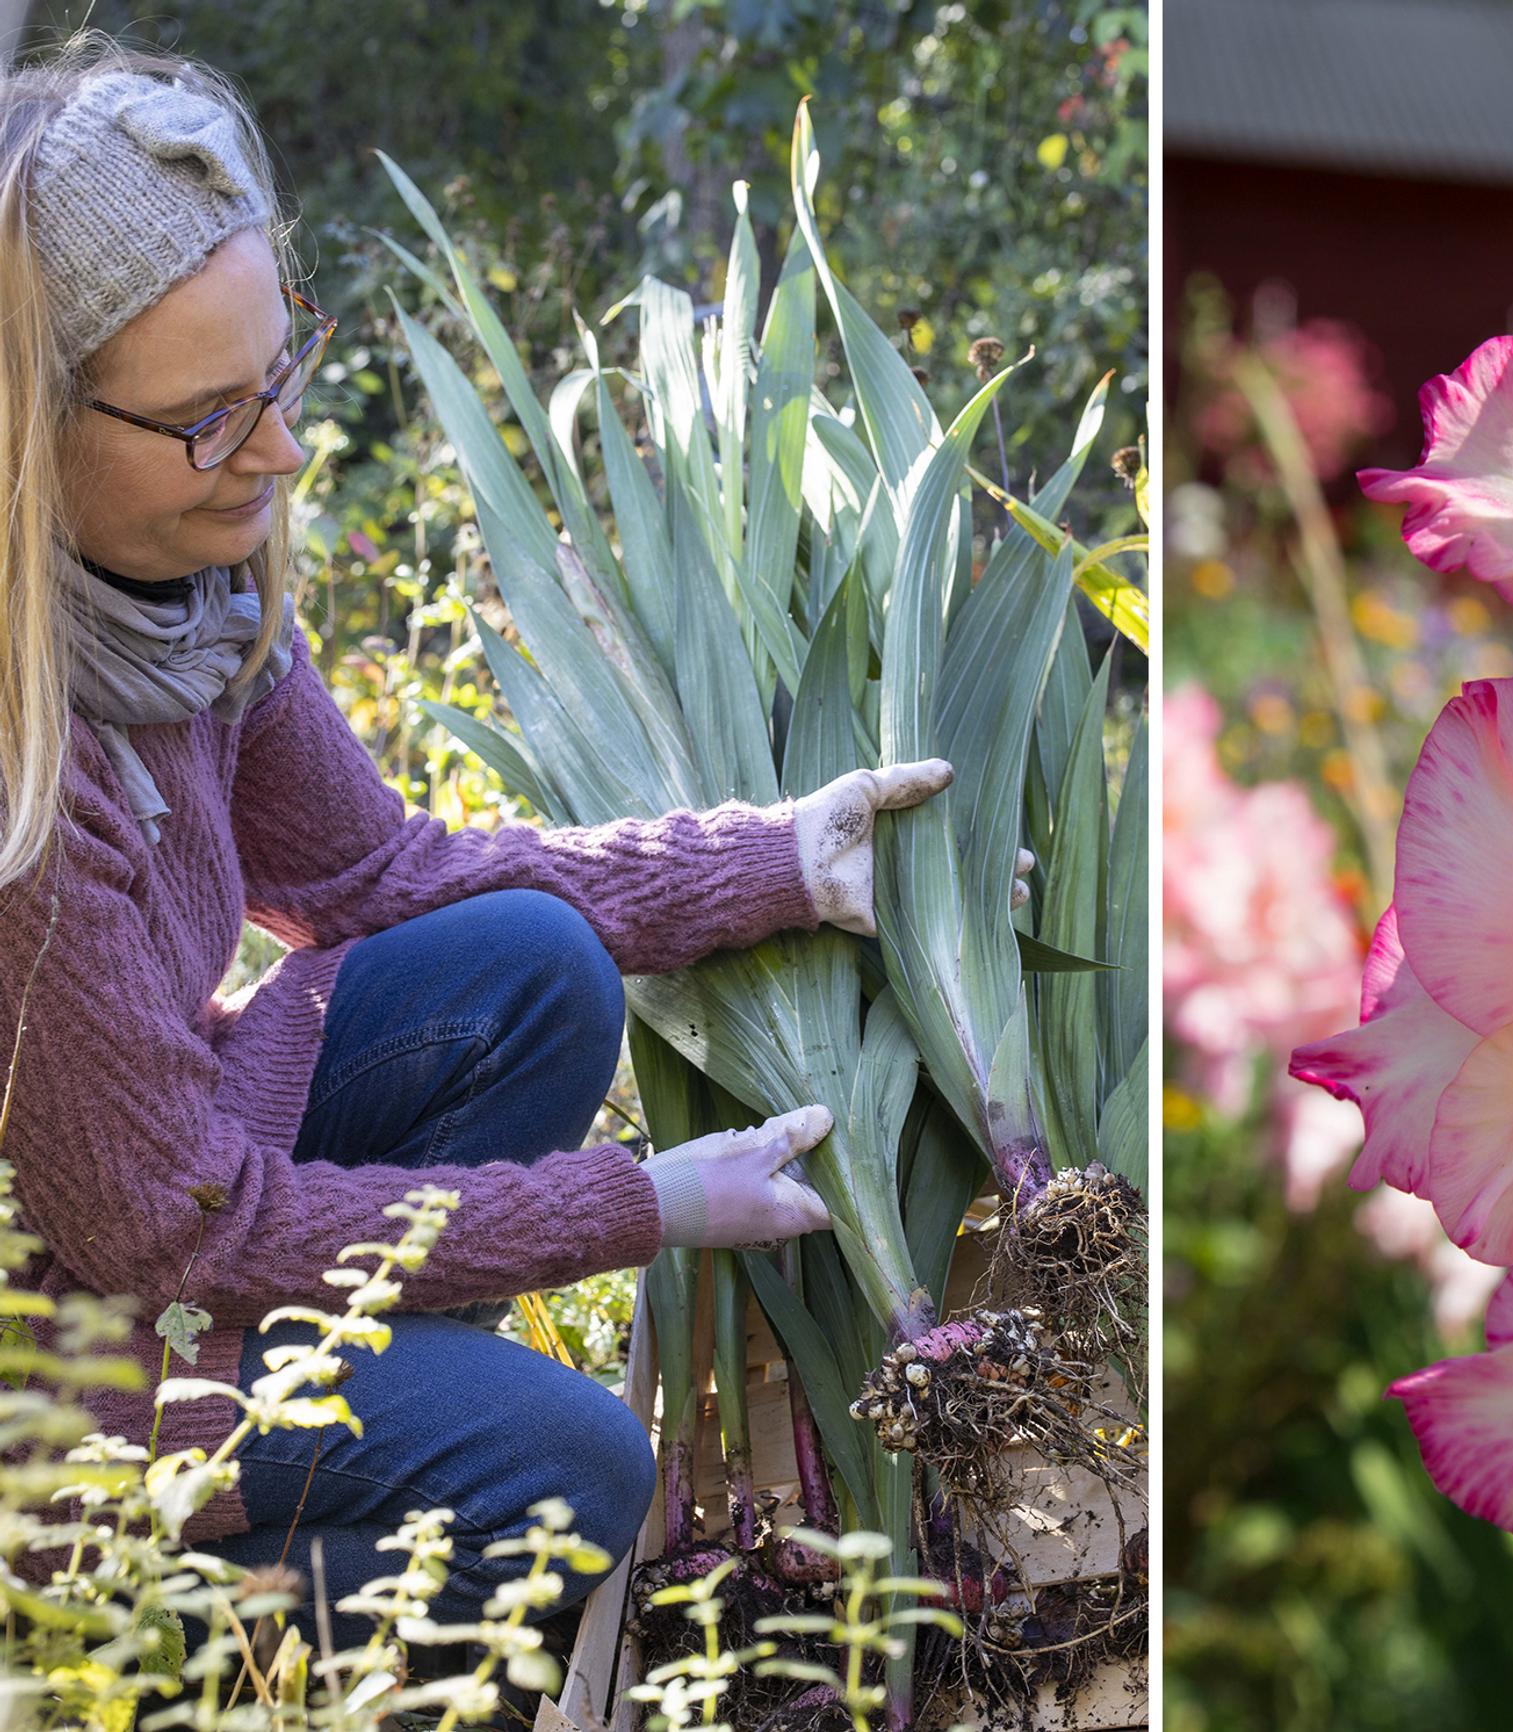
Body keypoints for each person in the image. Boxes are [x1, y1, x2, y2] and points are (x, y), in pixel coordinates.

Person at [0, 36, 1019, 1640]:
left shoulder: (177, 606)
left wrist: (776, 862)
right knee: (563, 1470)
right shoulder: (22, 783)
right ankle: (151, 1630)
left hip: (159, 1220)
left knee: (524, 971)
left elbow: (378, 875)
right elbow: (176, 1223)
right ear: (27, 425)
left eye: (277, 375)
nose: (274, 452)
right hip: (52, 1383)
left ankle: (351, 1421)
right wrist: (634, 1204)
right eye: (208, 418)